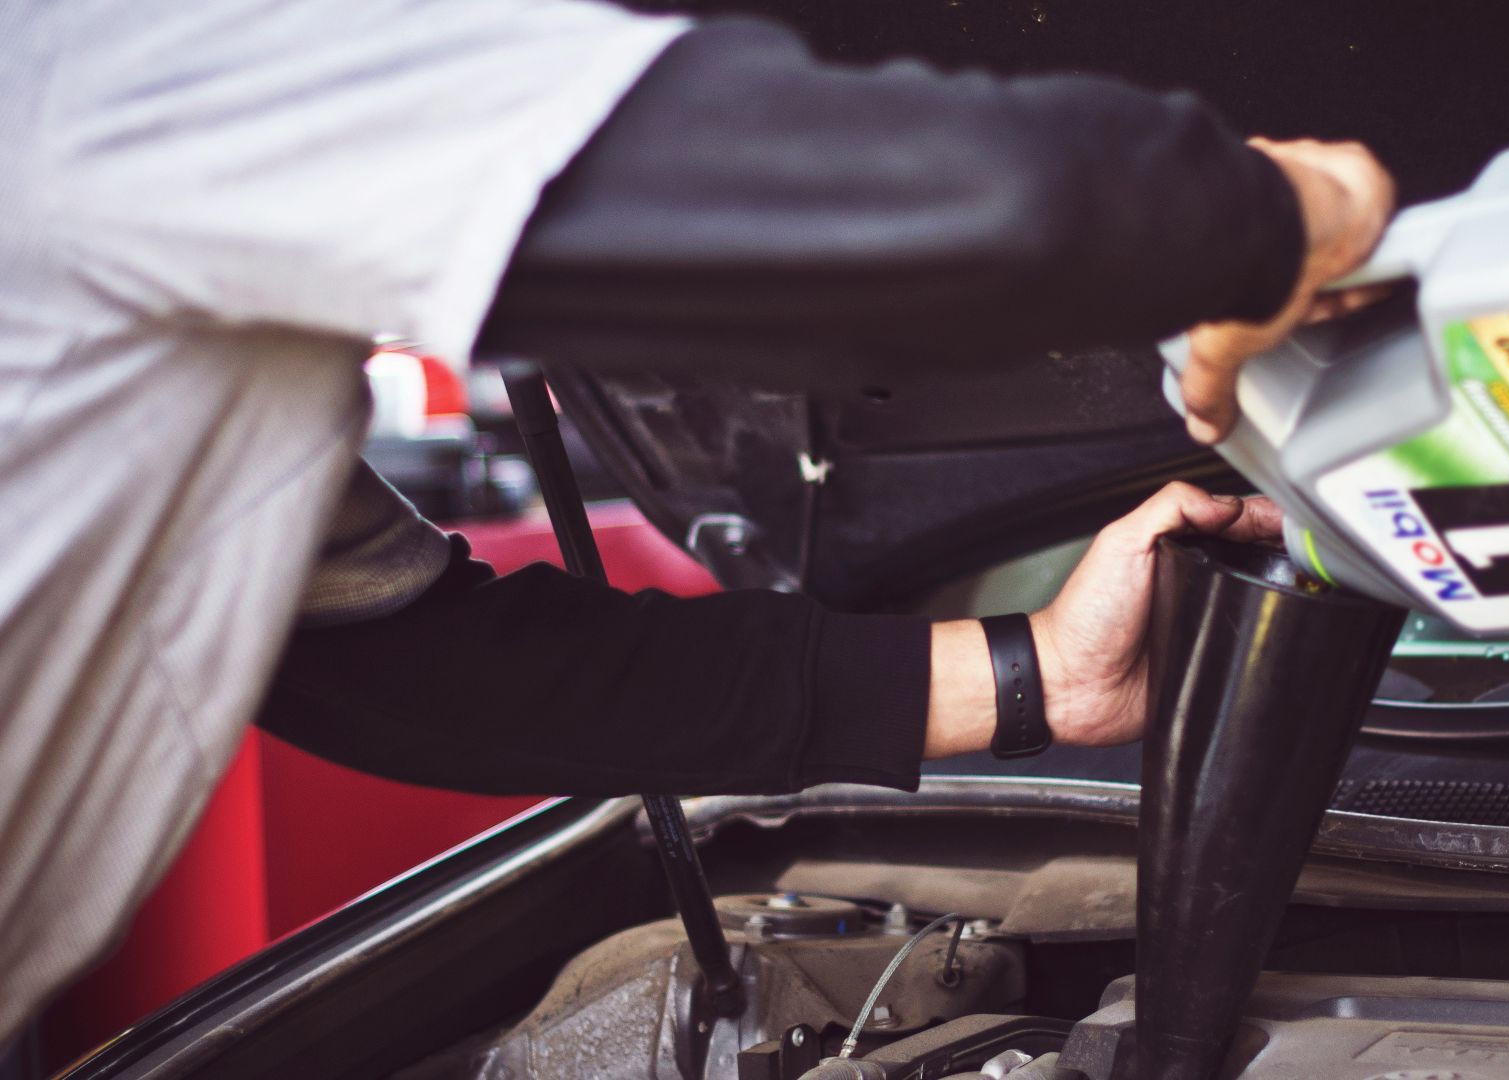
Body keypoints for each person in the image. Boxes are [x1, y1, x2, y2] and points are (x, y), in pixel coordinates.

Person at [0, 0, 1393, 1043]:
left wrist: (1034, 673)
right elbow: (959, 199)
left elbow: (411, 674)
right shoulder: (115, 58)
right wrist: (1293, 211)